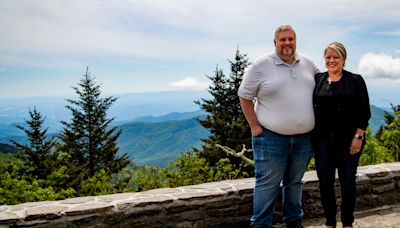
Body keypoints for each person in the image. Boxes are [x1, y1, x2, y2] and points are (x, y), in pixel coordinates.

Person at [238, 25, 318, 228]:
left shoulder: (308, 64)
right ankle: (261, 225)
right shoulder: (261, 65)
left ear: (296, 41)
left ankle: (294, 221)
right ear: (275, 42)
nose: (287, 43)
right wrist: (254, 127)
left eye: (291, 39)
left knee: (295, 182)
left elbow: (324, 85)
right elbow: (244, 96)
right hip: (270, 137)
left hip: (304, 138)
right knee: (268, 184)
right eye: (282, 39)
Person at [312, 42, 371, 228]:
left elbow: (365, 111)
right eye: (328, 57)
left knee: (347, 182)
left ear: (344, 59)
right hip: (322, 142)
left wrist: (358, 137)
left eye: (336, 57)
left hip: (349, 141)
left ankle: (347, 222)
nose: (331, 61)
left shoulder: (355, 80)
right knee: (325, 183)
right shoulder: (318, 79)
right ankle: (330, 221)